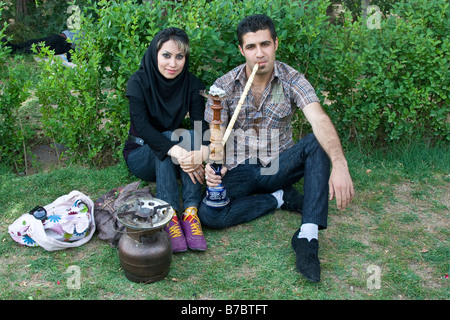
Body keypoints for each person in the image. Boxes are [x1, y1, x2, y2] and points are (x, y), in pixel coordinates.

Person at [198, 15, 354, 282]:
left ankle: (307, 235)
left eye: (265, 44)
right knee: (209, 214)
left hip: (278, 165)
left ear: (275, 44)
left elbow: (319, 119)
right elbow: (215, 139)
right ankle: (280, 198)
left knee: (317, 141)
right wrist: (214, 167)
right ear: (241, 50)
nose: (259, 54)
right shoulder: (222, 87)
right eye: (251, 47)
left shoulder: (292, 79)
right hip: (240, 171)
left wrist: (340, 163)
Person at [123, 27, 210, 252]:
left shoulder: (192, 84)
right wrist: (177, 151)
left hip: (174, 153)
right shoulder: (138, 82)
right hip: (141, 154)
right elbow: (142, 127)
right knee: (168, 137)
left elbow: (202, 129)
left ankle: (190, 213)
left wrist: (199, 154)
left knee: (188, 135)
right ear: (155, 54)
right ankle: (168, 214)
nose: (173, 63)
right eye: (166, 55)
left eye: (179, 57)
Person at [2, 29, 80, 61]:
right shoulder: (85, 34)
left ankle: (13, 49)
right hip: (60, 40)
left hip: (61, 41)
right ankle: (13, 48)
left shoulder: (84, 34)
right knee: (35, 45)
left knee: (37, 46)